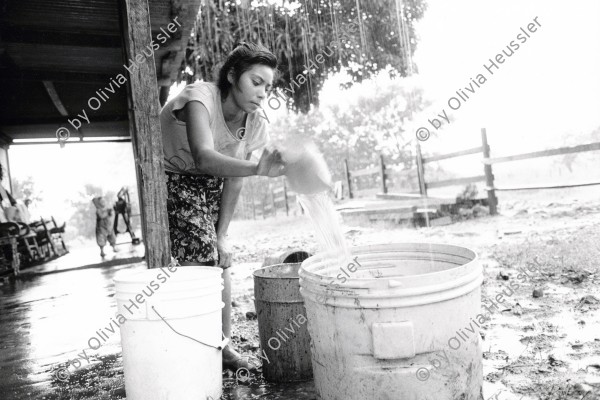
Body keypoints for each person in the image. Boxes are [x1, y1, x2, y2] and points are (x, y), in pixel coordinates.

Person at [160, 41, 285, 373]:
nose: (262, 92)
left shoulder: (255, 122)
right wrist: (258, 169)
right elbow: (203, 155)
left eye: (268, 86)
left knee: (221, 256)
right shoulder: (201, 97)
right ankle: (196, 343)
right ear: (232, 76)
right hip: (173, 175)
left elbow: (234, 178)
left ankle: (222, 345)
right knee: (199, 254)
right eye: (255, 82)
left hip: (213, 181)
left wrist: (223, 235)